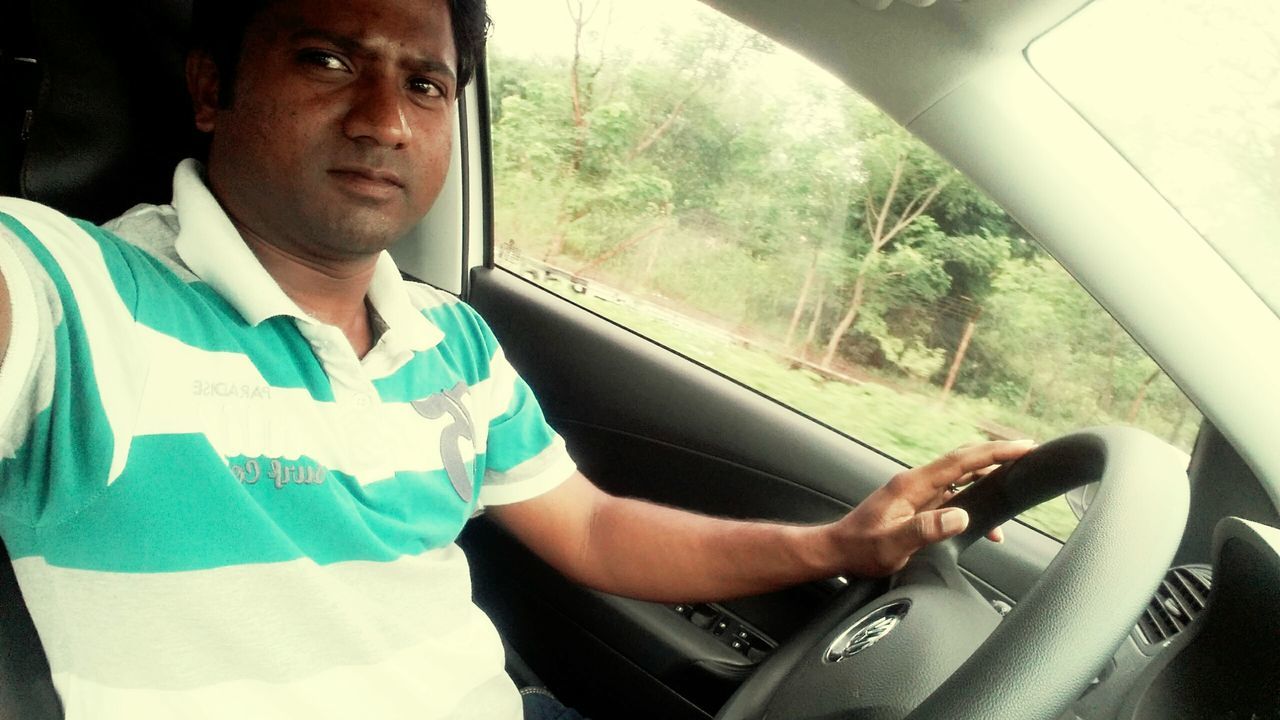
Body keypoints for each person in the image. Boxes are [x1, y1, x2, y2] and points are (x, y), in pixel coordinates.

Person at [0, 0, 1033, 717]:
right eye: (325, 59)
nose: (383, 120)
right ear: (211, 88)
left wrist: (833, 547)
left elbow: (588, 526)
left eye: (426, 83)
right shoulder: (74, 293)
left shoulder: (449, 339)